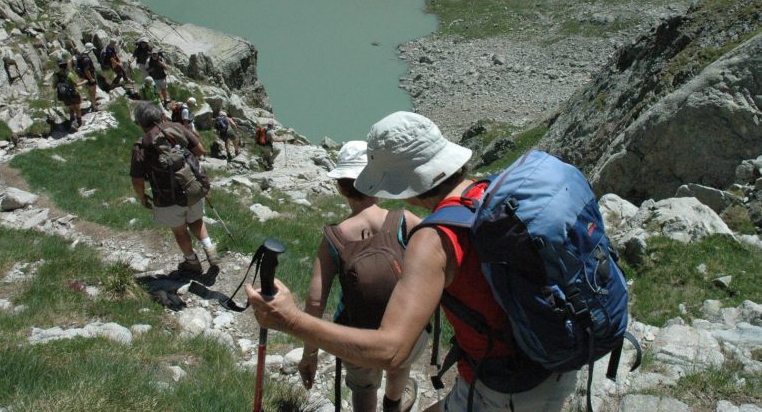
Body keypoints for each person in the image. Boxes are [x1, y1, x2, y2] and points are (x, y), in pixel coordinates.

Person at [245, 112, 577, 412]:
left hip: (505, 386)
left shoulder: (435, 239)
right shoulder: (489, 194)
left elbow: (391, 351)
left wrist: (289, 320)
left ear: (405, 184)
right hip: (557, 357)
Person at [299, 140, 425, 412]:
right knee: (399, 366)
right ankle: (394, 405)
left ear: (340, 187)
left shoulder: (334, 236)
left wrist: (310, 353)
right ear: (377, 183)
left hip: (357, 335)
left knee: (363, 388)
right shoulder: (405, 220)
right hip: (404, 328)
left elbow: (315, 301)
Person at [129, 102, 220, 274]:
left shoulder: (141, 145)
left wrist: (142, 198)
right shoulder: (177, 127)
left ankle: (192, 262)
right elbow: (200, 150)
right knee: (196, 220)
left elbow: (137, 180)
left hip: (166, 197)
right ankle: (209, 249)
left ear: (140, 123)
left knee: (179, 231)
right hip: (192, 186)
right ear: (162, 116)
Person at [52, 58, 82, 127]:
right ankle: (79, 122)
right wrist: (84, 81)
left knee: (71, 108)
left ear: (59, 66)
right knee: (77, 108)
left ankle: (72, 121)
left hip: (65, 96)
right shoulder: (70, 74)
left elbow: (53, 87)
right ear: (66, 66)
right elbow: (76, 84)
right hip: (74, 94)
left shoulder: (56, 75)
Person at [75, 42, 98, 111]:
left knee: (90, 91)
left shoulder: (81, 55)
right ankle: (94, 107)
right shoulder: (86, 59)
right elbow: (86, 70)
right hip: (89, 77)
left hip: (84, 77)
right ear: (90, 49)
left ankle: (92, 102)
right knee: (93, 92)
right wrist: (91, 78)